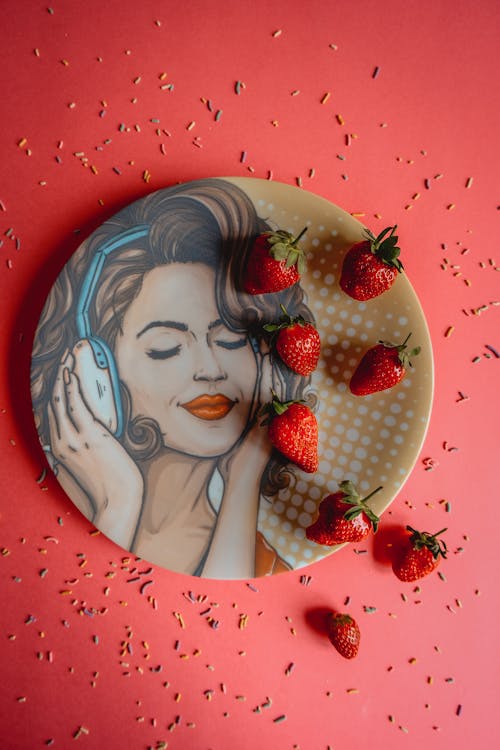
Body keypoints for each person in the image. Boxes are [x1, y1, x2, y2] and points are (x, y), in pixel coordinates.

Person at [31, 179, 316, 578]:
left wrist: (244, 478)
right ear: (97, 371)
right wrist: (118, 504)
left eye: (232, 340)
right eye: (165, 347)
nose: (210, 368)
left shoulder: (261, 563)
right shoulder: (33, 510)